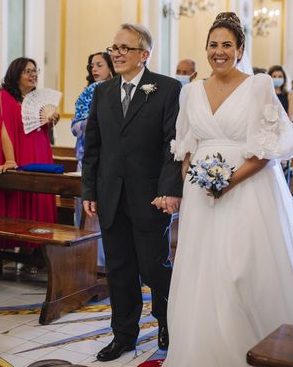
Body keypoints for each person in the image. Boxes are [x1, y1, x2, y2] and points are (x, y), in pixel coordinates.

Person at [165, 13, 293, 367]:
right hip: (202, 195)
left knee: (242, 267)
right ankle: (202, 350)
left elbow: (269, 149)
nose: (218, 52)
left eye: (226, 45)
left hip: (247, 188)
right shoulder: (190, 92)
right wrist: (195, 177)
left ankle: (263, 346)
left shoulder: (259, 86)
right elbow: (186, 147)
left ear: (240, 49)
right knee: (202, 269)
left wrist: (229, 180)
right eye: (213, 45)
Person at [81, 23, 182, 362]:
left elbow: (173, 146)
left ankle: (169, 323)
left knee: (155, 268)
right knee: (120, 271)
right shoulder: (103, 92)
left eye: (125, 48)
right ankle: (123, 336)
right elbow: (93, 147)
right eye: (114, 47)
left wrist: (169, 190)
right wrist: (89, 190)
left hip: (149, 197)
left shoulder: (167, 89)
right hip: (111, 196)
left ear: (144, 54)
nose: (117, 53)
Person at [0, 58, 59, 254]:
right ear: (16, 74)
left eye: (34, 71)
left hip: (40, 151)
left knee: (39, 197)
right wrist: (10, 159)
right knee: (20, 197)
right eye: (28, 71)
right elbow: (4, 129)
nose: (33, 75)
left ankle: (38, 249)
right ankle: (17, 246)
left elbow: (45, 124)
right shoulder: (5, 96)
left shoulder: (38, 98)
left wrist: (53, 118)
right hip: (20, 152)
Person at [71, 51, 115, 172]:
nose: (94, 69)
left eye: (99, 65)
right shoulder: (88, 92)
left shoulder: (119, 91)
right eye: (92, 66)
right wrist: (90, 121)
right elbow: (75, 129)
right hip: (86, 153)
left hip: (111, 155)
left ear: (111, 67)